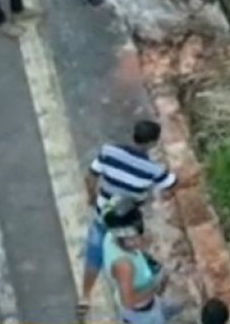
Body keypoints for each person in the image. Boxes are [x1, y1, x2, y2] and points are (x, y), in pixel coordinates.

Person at [78, 120, 177, 321]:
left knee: (93, 256)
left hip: (102, 215)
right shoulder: (152, 170)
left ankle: (85, 296)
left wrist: (92, 197)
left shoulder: (109, 152)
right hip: (128, 221)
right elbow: (171, 185)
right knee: (135, 262)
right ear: (152, 142)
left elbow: (90, 177)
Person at [100, 203, 175, 324]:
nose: (138, 241)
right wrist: (155, 287)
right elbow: (128, 302)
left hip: (146, 301)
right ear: (121, 236)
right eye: (132, 238)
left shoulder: (110, 237)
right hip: (141, 314)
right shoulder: (124, 266)